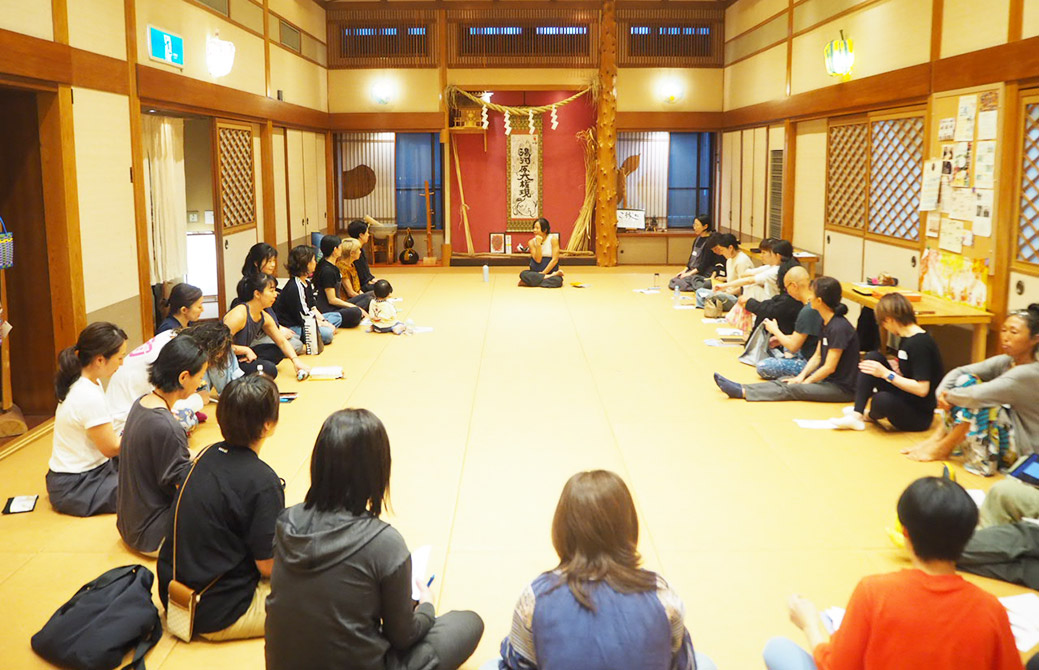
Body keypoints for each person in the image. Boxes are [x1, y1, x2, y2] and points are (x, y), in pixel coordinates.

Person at [265, 409, 484, 670]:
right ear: (377, 470)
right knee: (467, 622)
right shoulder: (384, 542)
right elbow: (403, 636)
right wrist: (426, 606)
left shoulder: (286, 521)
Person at [763, 477, 1022, 670]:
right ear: (968, 537)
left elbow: (838, 666)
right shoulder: (990, 608)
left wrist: (809, 625)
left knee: (778, 649)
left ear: (905, 533)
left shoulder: (874, 592)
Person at [489, 470, 714, 670]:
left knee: (489, 665)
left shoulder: (536, 595)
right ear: (629, 527)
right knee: (705, 662)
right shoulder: (662, 594)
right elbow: (682, 662)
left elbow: (517, 662)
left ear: (562, 529)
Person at [157, 375, 285, 641]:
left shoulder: (206, 454)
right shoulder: (262, 481)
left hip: (175, 598)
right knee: (325, 592)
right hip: (218, 613)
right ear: (268, 425)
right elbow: (267, 567)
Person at [903, 304, 1039, 472]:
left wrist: (948, 398)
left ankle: (945, 447)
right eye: (1004, 330)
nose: (1005, 337)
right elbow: (961, 371)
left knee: (979, 399)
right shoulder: (1006, 361)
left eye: (1014, 332)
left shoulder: (1030, 372)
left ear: (1035, 339)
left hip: (1023, 451)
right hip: (1006, 434)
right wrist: (941, 395)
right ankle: (939, 438)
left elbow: (977, 396)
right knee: (966, 380)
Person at [116, 336, 208, 556]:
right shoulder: (167, 426)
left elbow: (167, 454)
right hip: (153, 535)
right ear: (184, 377)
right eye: (201, 376)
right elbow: (185, 489)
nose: (202, 384)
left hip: (130, 525)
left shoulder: (141, 404)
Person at [714, 276, 859, 403]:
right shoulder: (826, 322)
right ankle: (741, 387)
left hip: (841, 388)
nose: (809, 298)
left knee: (794, 389)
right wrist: (801, 377)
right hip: (826, 380)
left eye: (812, 294)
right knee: (787, 380)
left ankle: (743, 392)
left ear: (819, 300)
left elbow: (829, 367)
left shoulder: (839, 327)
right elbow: (818, 355)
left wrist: (806, 382)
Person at [829, 292, 944, 432]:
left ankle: (869, 416)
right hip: (906, 397)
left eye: (883, 323)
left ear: (889, 320)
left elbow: (922, 389)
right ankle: (856, 414)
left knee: (881, 399)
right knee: (872, 358)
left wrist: (887, 374)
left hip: (918, 415)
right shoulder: (905, 337)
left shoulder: (920, 344)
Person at [47, 322, 128, 517]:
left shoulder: (89, 380)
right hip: (76, 485)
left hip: (94, 470)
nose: (122, 363)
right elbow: (111, 449)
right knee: (147, 490)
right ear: (100, 360)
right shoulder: (86, 395)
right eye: (119, 358)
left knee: (147, 466)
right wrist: (143, 429)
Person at [107, 322, 232, 434]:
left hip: (127, 407)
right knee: (185, 421)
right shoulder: (175, 354)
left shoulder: (171, 336)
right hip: (124, 423)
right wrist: (198, 400)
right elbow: (168, 399)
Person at [224, 273, 310, 380]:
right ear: (257, 294)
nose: (275, 294)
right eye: (271, 290)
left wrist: (296, 361)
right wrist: (244, 350)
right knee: (270, 369)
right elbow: (217, 346)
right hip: (226, 362)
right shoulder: (239, 315)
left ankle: (251, 365)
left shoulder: (262, 315)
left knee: (278, 351)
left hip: (241, 356)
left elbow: (282, 341)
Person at [235, 242, 305, 356]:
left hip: (270, 326)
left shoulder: (266, 280)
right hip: (257, 334)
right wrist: (278, 330)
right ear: (256, 263)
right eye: (269, 261)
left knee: (296, 337)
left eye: (273, 261)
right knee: (297, 344)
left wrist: (278, 328)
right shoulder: (250, 284)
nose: (272, 265)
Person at [755, 267, 822, 380]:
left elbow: (793, 346)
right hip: (811, 350)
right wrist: (782, 338)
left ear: (794, 286)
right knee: (784, 347)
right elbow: (809, 335)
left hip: (811, 362)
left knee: (763, 366)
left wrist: (774, 330)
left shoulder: (808, 310)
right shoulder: (815, 304)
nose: (788, 292)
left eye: (787, 288)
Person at [272, 245, 337, 346]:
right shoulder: (295, 286)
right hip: (295, 325)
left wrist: (324, 321)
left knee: (336, 317)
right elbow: (304, 316)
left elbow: (312, 307)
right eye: (313, 260)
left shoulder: (307, 282)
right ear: (305, 263)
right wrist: (325, 325)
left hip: (307, 319)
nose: (315, 263)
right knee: (327, 334)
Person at [313, 235, 365, 328]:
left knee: (367, 297)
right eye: (340, 246)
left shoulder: (333, 266)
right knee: (356, 312)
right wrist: (352, 306)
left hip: (338, 305)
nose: (342, 249)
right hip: (329, 309)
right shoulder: (327, 271)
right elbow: (332, 299)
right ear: (335, 249)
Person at [694, 233, 754, 310]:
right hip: (728, 293)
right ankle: (710, 305)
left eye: (722, 250)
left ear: (730, 248)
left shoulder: (742, 261)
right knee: (700, 291)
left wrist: (727, 292)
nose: (721, 253)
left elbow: (744, 287)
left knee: (716, 296)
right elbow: (730, 281)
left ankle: (709, 305)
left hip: (737, 297)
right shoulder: (729, 260)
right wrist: (722, 289)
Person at [668, 214, 723, 292]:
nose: (694, 227)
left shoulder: (710, 242)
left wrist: (689, 274)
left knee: (680, 282)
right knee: (675, 280)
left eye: (697, 225)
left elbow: (704, 264)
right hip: (693, 270)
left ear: (705, 226)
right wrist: (684, 271)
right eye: (694, 224)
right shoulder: (697, 239)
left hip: (703, 272)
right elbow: (691, 258)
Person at [519, 218, 564, 288]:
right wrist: (538, 245)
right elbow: (538, 260)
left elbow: (555, 260)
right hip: (535, 272)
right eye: (534, 228)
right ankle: (548, 277)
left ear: (545, 230)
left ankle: (531, 282)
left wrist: (543, 273)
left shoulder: (553, 239)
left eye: (537, 228)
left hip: (550, 270)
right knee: (523, 274)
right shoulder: (531, 242)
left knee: (557, 281)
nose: (534, 230)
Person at [336, 237, 376, 313]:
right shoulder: (342, 267)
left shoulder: (351, 265)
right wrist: (365, 297)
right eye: (358, 250)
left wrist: (364, 295)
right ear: (351, 253)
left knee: (375, 292)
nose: (360, 252)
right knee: (369, 298)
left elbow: (357, 289)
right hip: (347, 301)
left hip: (356, 296)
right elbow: (350, 293)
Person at [347, 219, 380, 292]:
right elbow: (359, 273)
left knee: (383, 285)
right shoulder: (354, 252)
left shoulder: (360, 249)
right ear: (361, 235)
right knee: (383, 287)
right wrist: (368, 281)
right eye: (367, 232)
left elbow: (365, 270)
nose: (368, 235)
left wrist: (371, 279)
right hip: (359, 285)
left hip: (364, 282)